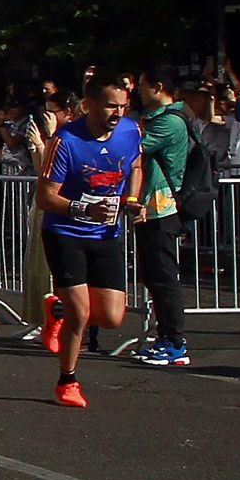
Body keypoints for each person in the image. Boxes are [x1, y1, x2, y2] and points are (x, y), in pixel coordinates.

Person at [35, 78, 144, 408]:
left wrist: (132, 199)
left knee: (112, 318)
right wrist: (84, 209)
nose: (118, 113)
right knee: (80, 314)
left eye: (123, 106)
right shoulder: (66, 140)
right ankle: (67, 381)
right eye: (111, 106)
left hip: (106, 234)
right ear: (89, 105)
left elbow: (135, 166)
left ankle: (58, 309)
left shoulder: (130, 131)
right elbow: (44, 197)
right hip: (65, 233)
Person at [132, 74, 195, 367]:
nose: (138, 91)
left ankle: (175, 342)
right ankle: (164, 338)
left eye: (142, 85)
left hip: (162, 208)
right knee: (154, 277)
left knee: (164, 277)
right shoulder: (159, 118)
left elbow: (135, 148)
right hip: (151, 208)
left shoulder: (169, 122)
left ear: (158, 87)